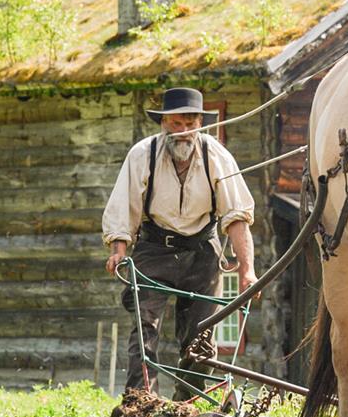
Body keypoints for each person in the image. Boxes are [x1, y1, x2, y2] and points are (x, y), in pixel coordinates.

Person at [101, 87, 257, 397]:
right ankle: (141, 400)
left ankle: (188, 401)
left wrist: (247, 269)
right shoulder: (142, 155)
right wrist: (119, 250)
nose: (183, 131)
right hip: (155, 248)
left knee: (201, 334)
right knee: (144, 326)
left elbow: (236, 216)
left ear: (200, 123)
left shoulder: (217, 156)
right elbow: (124, 205)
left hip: (202, 251)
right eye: (175, 124)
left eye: (189, 123)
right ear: (163, 124)